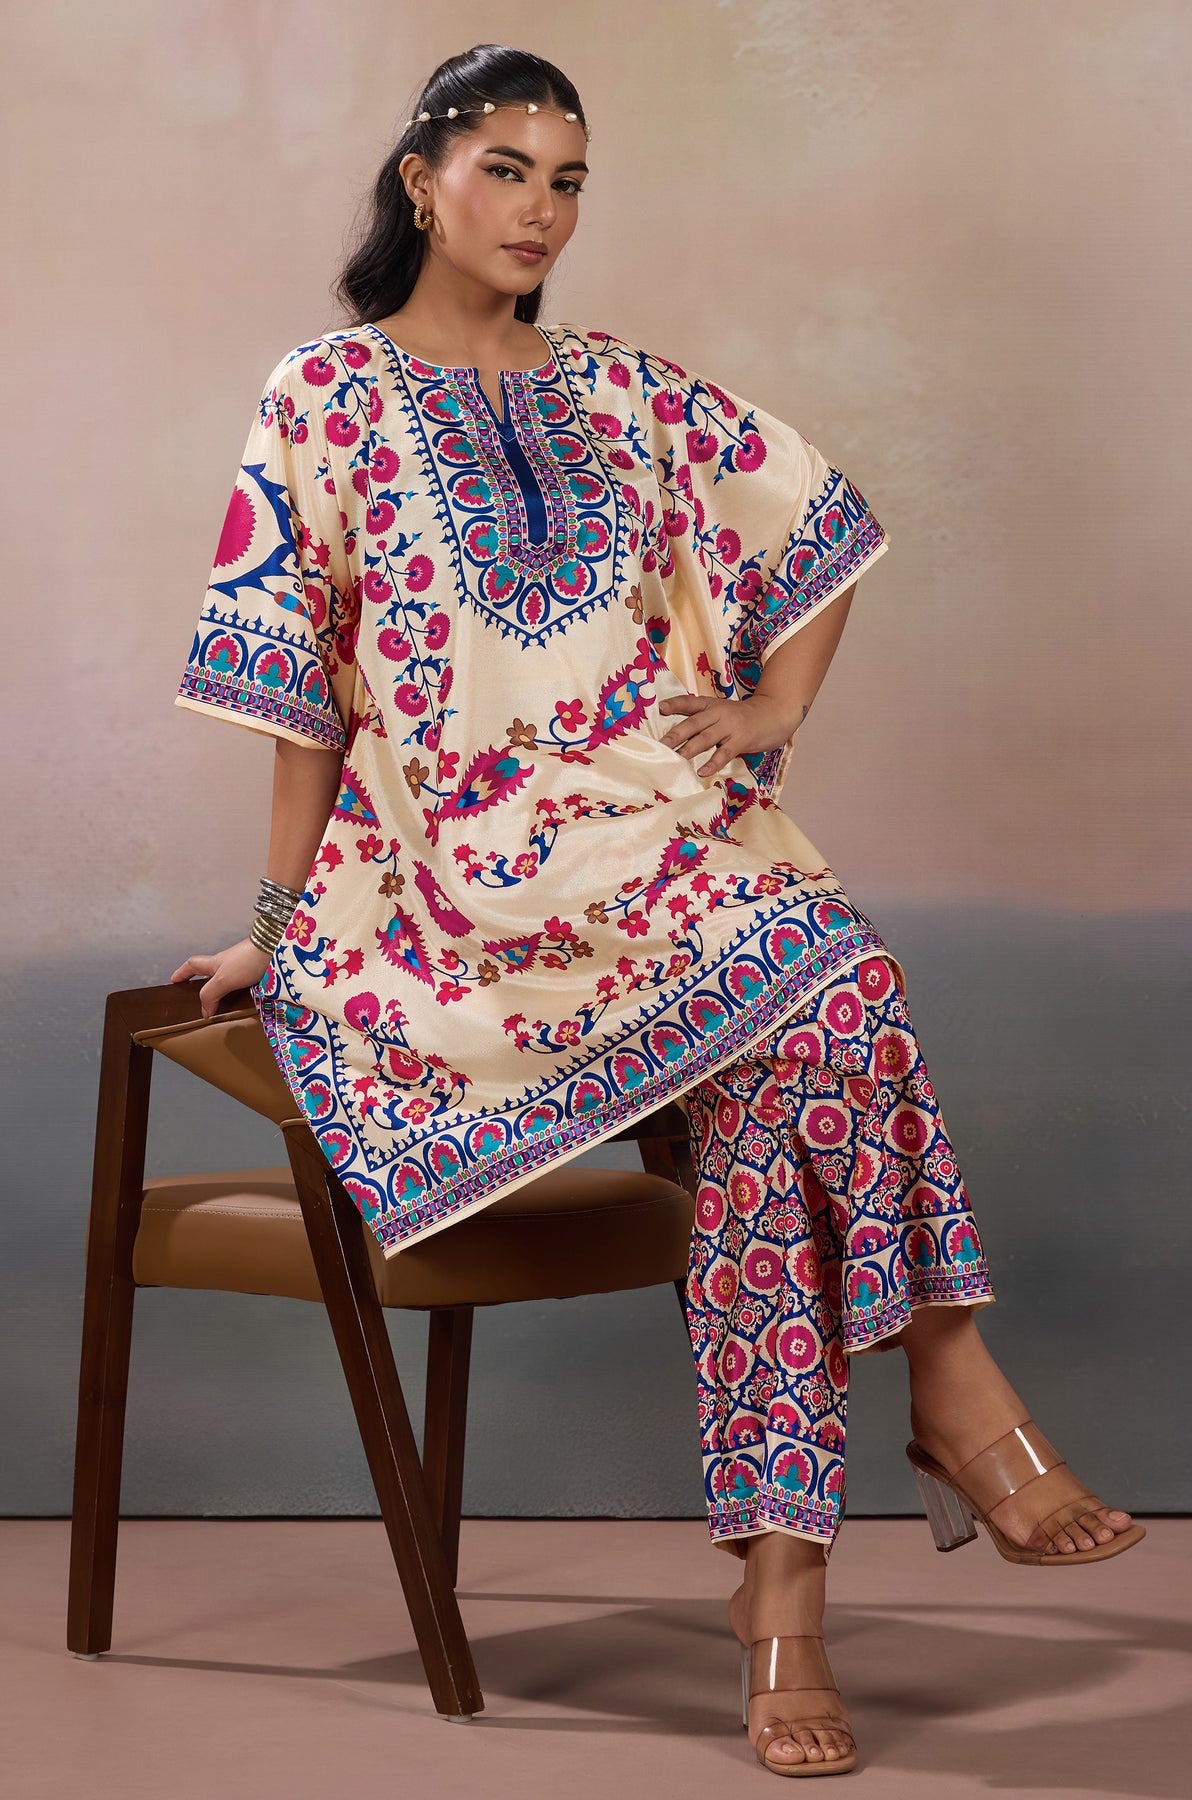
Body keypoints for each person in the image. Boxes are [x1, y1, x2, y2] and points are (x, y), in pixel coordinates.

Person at [170, 43, 1144, 1779]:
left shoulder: (623, 389)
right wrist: (276, 915)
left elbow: (822, 519)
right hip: (450, 897)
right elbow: (298, 687)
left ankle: (788, 1589)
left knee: (820, 1013)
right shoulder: (323, 394)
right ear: (421, 182)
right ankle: (943, 1387)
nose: (539, 210)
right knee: (824, 999)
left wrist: (768, 713)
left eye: (567, 180)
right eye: (504, 169)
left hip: (659, 853)